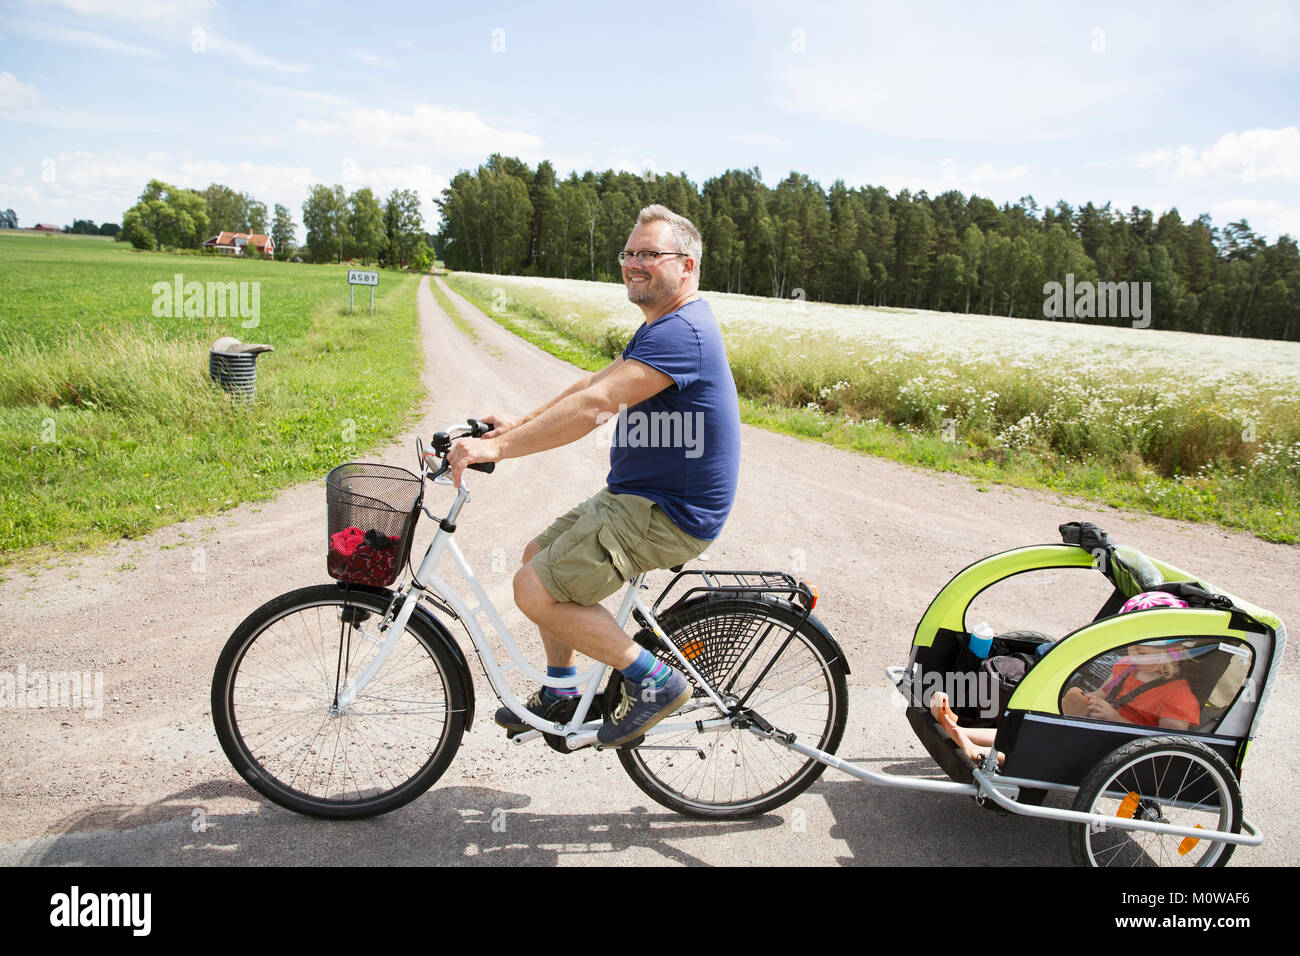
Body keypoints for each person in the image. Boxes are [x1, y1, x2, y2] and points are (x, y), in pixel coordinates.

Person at [444, 204, 742, 747]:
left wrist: (499, 450)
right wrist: (517, 423)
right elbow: (591, 384)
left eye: (650, 253)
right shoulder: (661, 326)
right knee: (539, 556)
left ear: (688, 266)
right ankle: (562, 692)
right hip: (639, 497)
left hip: (668, 512)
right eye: (629, 253)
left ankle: (656, 681)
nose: (634, 263)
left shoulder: (683, 333)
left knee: (532, 590)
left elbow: (595, 407)